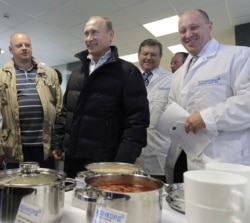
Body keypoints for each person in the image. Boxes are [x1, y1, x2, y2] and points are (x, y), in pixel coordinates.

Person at [51, 16, 150, 178]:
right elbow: (66, 111)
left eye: (95, 33)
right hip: (73, 159)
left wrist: (122, 164)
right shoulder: (77, 73)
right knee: (72, 201)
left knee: (102, 203)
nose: (89, 38)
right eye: (86, 34)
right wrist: (58, 142)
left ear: (110, 35)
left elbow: (137, 122)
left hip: (106, 162)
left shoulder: (128, 72)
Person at [165, 9, 250, 182]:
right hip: (192, 157)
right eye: (183, 31)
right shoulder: (179, 74)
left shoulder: (240, 56)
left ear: (209, 26)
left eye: (194, 27)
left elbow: (247, 101)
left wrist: (207, 118)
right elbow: (173, 105)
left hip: (228, 158)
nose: (188, 34)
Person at [0, 32, 63, 169]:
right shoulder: (2, 76)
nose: (24, 48)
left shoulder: (50, 73)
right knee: (18, 188)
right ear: (11, 49)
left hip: (46, 147)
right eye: (19, 45)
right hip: (15, 147)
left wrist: (58, 143)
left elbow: (60, 109)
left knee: (46, 186)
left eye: (27, 45)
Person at [135, 39, 172, 183]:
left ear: (160, 56)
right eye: (145, 54)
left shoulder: (171, 80)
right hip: (133, 150)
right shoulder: (128, 78)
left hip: (159, 150)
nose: (149, 58)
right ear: (139, 55)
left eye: (154, 54)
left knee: (158, 195)